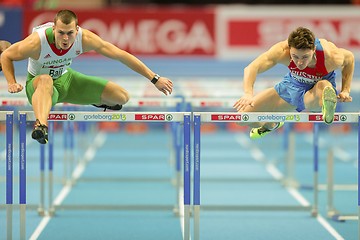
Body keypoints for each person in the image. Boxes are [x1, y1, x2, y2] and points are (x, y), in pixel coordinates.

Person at [1, 9, 173, 144]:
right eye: (61, 33)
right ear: (54, 29)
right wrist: (12, 82)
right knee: (45, 79)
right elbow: (6, 56)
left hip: (66, 79)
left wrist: (154, 78)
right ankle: (41, 126)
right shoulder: (37, 42)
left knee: (121, 97)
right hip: (39, 87)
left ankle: (95, 100)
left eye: (70, 33)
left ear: (77, 30)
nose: (66, 39)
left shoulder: (85, 39)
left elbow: (121, 55)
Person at [233, 26, 354, 139]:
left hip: (317, 90)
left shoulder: (331, 56)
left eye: (305, 57)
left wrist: (345, 90)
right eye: (295, 57)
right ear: (289, 50)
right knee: (242, 118)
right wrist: (248, 93)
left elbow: (349, 59)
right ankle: (272, 124)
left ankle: (325, 104)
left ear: (314, 50)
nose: (300, 62)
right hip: (292, 85)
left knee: (324, 87)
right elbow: (252, 68)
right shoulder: (281, 51)